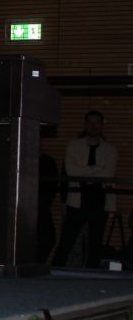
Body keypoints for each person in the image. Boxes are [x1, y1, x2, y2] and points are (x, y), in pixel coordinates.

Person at [52, 110, 118, 268]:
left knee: (95, 244)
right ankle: (54, 271)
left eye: (97, 122)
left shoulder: (110, 149)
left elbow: (108, 174)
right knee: (66, 241)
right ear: (85, 125)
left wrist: (84, 173)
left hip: (100, 200)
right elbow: (71, 171)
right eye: (90, 122)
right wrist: (96, 170)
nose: (93, 126)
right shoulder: (73, 146)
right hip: (76, 200)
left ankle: (92, 276)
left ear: (102, 125)